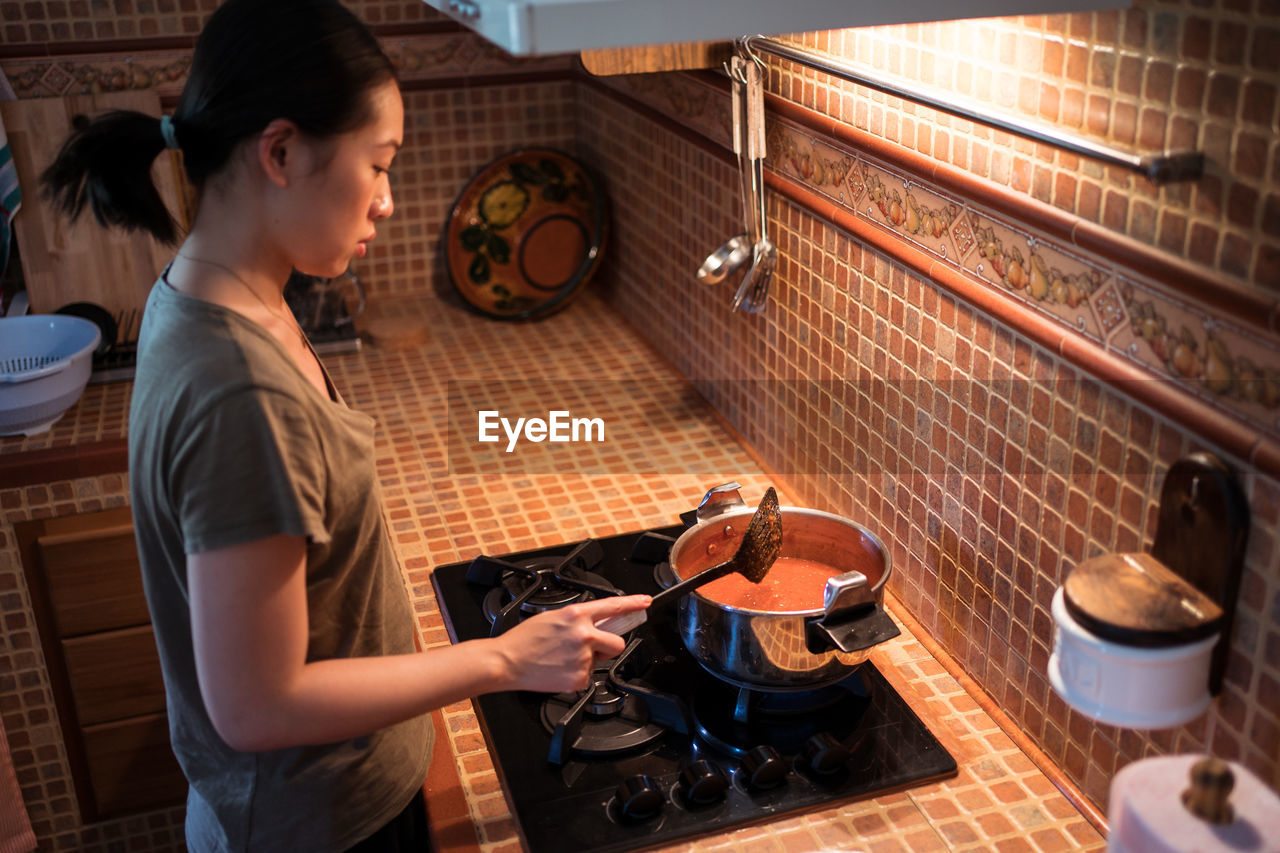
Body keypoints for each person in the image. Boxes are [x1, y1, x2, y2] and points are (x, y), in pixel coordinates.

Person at [39, 2, 650, 851]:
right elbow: (258, 706)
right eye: (379, 164)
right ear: (281, 152)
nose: (390, 201)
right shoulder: (239, 395)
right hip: (316, 825)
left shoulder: (209, 292)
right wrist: (503, 659)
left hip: (308, 801)